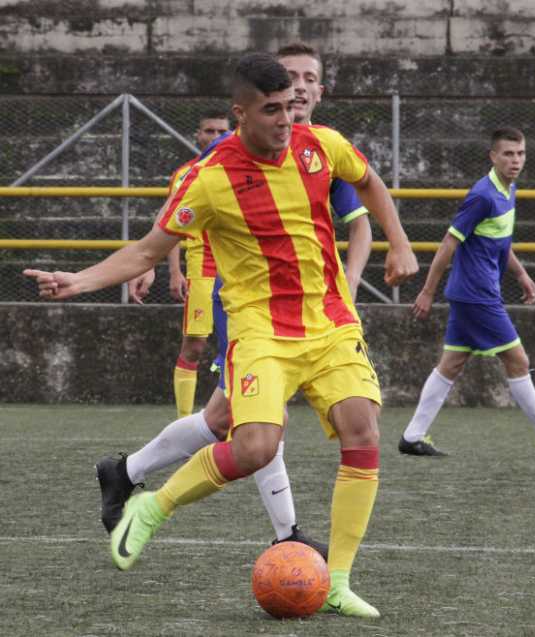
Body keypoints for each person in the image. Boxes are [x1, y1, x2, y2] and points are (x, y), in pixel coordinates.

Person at [24, 52, 418, 618]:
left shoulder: (319, 144)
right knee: (254, 446)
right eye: (272, 110)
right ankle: (153, 507)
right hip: (260, 330)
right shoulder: (211, 180)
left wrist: (400, 242)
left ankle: (338, 580)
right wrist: (77, 281)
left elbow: (369, 181)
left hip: (330, 322)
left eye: (290, 107)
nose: (286, 120)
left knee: (364, 430)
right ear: (241, 114)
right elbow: (146, 250)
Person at [96, 43, 374, 559]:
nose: (301, 91)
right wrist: (150, 264)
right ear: (244, 110)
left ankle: (127, 471)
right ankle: (288, 533)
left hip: (316, 315)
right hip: (250, 309)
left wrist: (352, 281)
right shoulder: (222, 164)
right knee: (259, 427)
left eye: (308, 80)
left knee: (221, 419)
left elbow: (360, 221)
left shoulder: (321, 149)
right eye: (292, 80)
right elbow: (167, 224)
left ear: (317, 90)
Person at [398, 127, 535, 457]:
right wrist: (428, 291)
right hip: (477, 295)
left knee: (452, 363)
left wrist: (521, 274)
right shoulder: (483, 195)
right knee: (517, 359)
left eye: (520, 154)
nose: (515, 160)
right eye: (508, 154)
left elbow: (501, 241)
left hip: (473, 292)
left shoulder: (508, 189)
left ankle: (412, 436)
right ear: (493, 156)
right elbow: (448, 243)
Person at [129, 110, 232, 419]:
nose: (215, 137)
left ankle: (236, 416)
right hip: (202, 268)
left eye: (221, 131)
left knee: (238, 348)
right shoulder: (185, 173)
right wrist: (172, 270)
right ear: (198, 136)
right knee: (195, 345)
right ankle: (184, 422)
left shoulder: (244, 168)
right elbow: (170, 225)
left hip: (240, 271)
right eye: (209, 131)